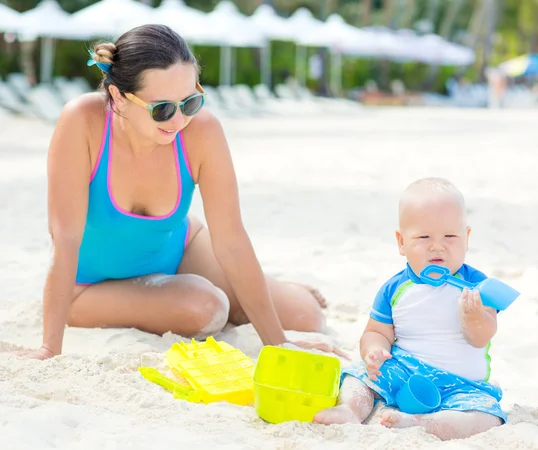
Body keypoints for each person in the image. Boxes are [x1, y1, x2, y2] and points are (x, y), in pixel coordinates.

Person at [17, 24, 339, 361]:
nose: (178, 120)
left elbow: (230, 241)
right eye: (162, 109)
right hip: (89, 288)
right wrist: (48, 348)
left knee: (307, 317)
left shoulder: (202, 131)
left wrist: (278, 343)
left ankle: (269, 289)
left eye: (190, 102)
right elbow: (65, 238)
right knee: (206, 308)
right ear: (118, 98)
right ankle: (207, 295)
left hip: (177, 250)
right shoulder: (82, 121)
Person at [314, 177, 506, 441]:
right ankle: (350, 410)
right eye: (424, 236)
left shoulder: (477, 286)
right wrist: (374, 351)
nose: (437, 245)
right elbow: (376, 332)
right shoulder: (395, 289)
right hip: (404, 371)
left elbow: (481, 337)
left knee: (488, 417)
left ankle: (421, 423)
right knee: (357, 376)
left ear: (467, 238)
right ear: (402, 242)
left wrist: (474, 318)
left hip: (461, 384)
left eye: (450, 236)